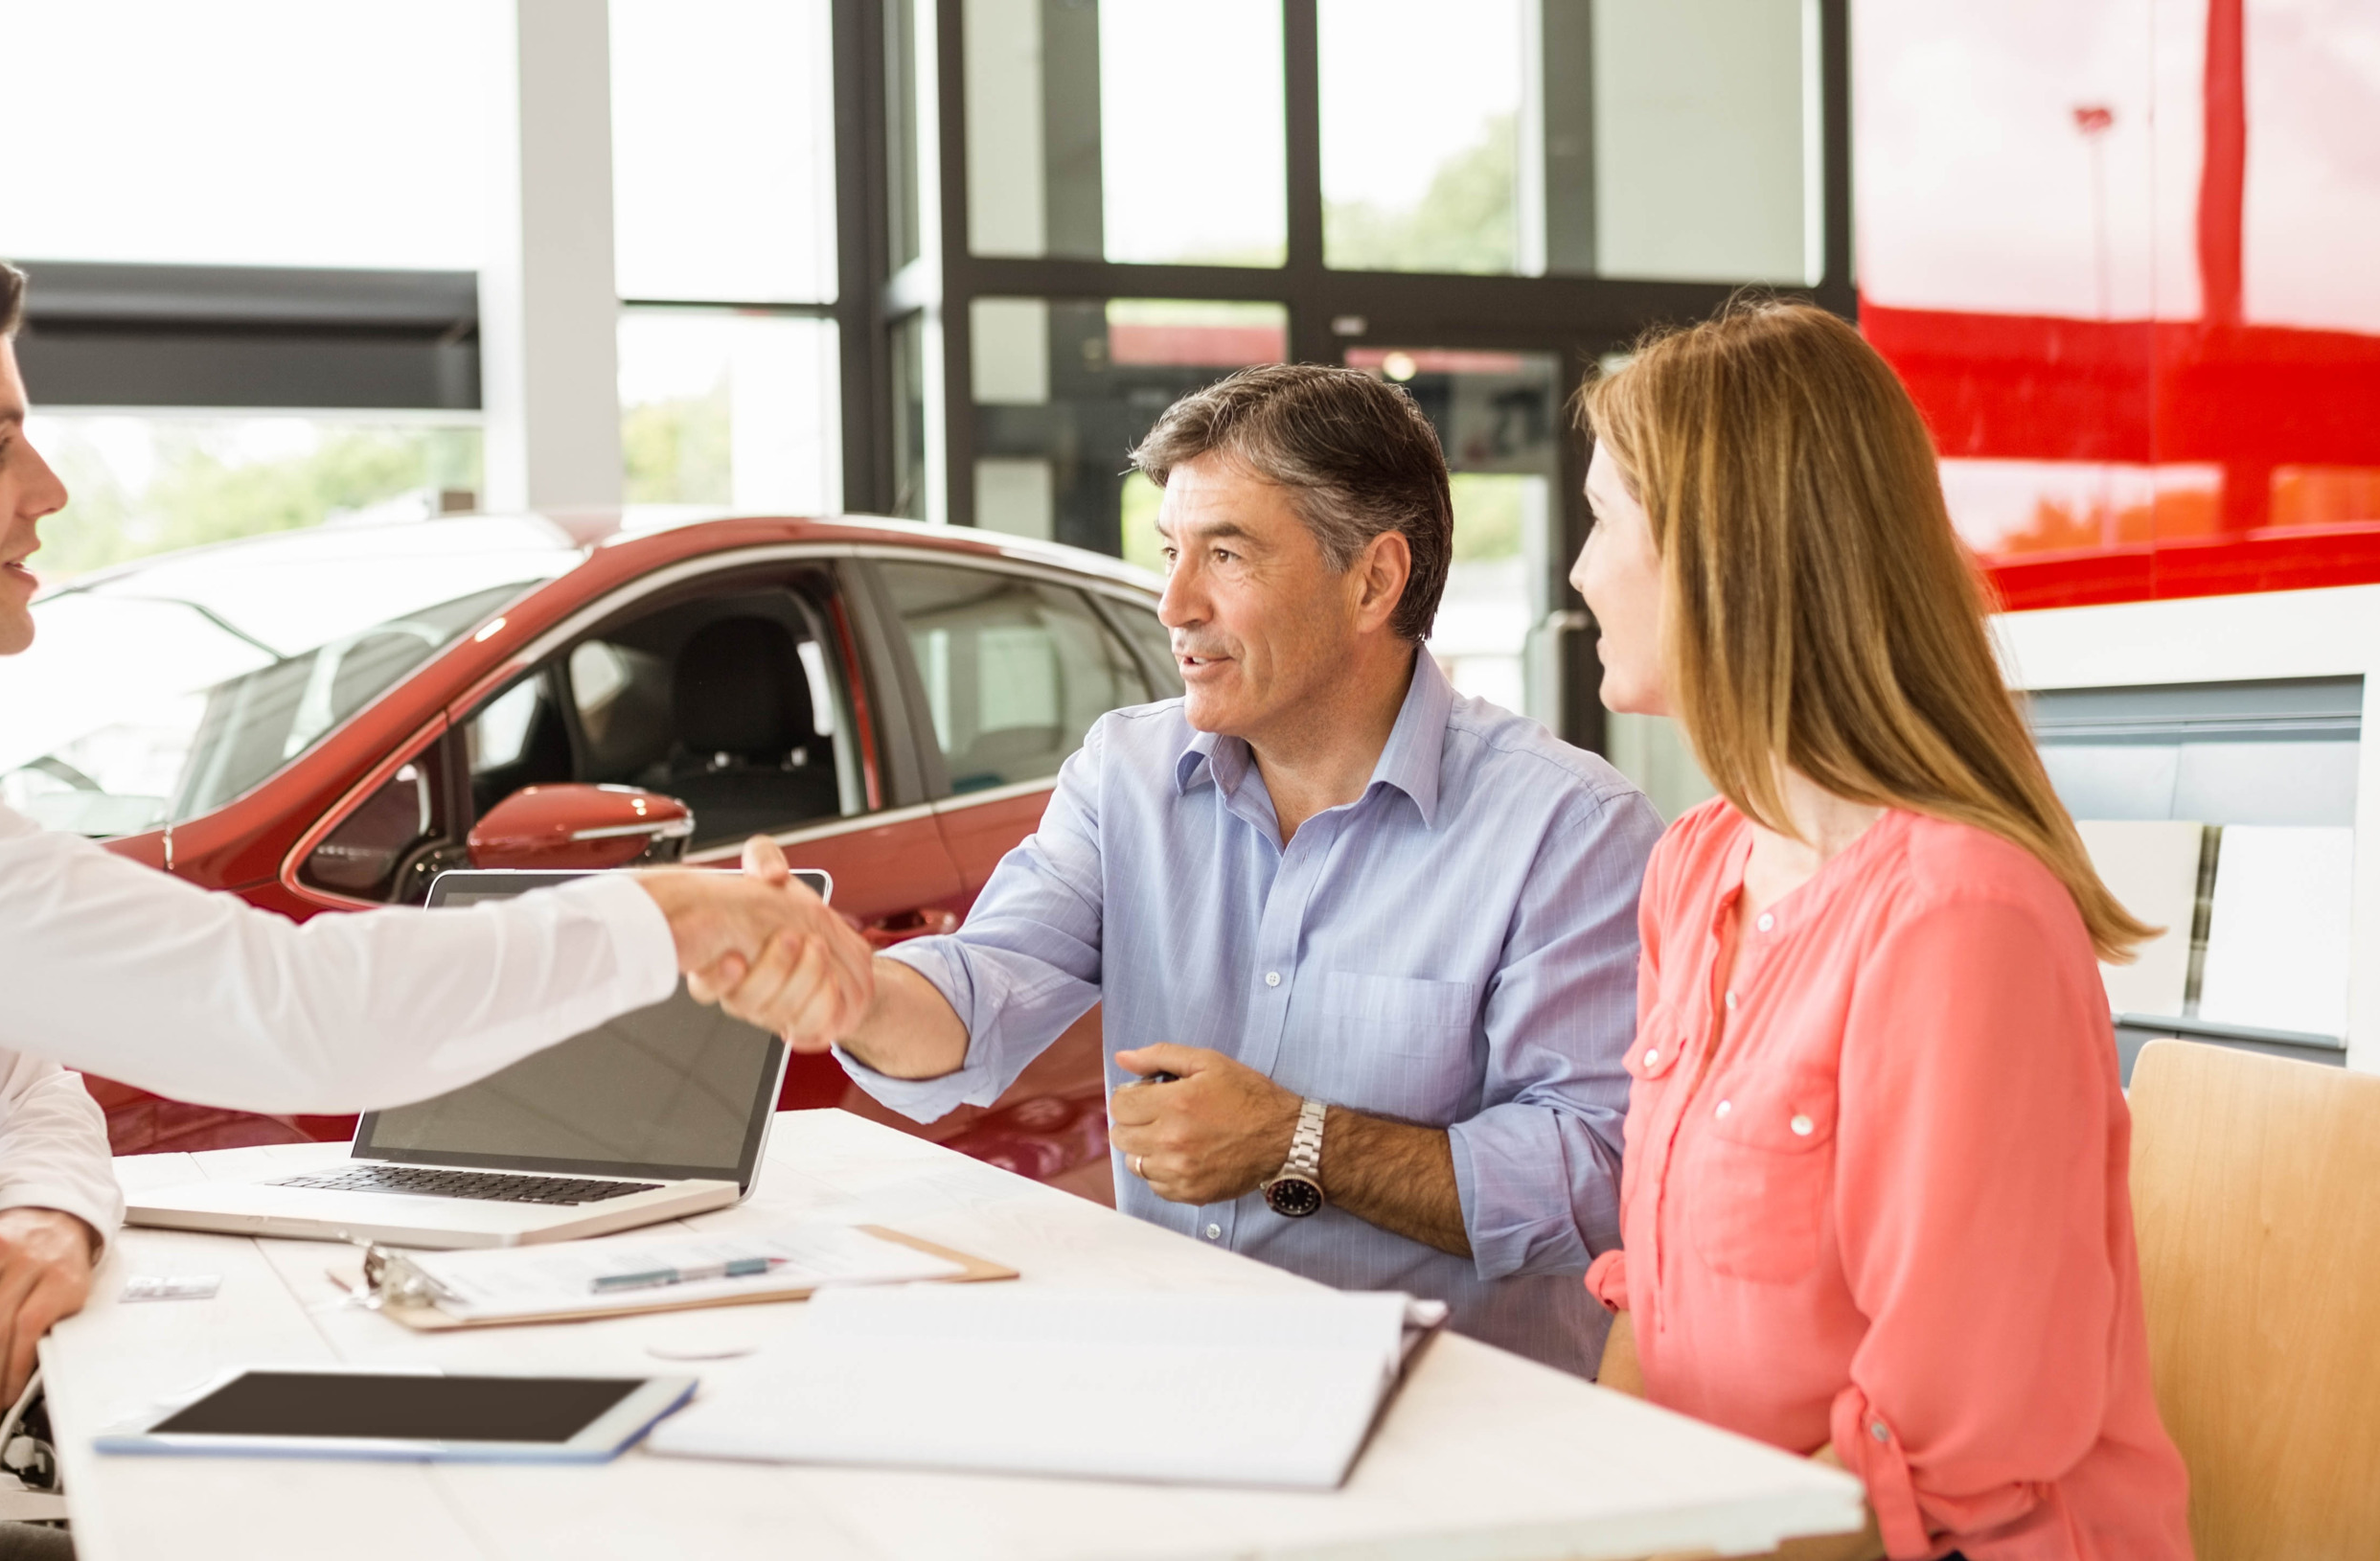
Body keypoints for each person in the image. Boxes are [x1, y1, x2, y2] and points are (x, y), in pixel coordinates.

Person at [0, 234, 872, 1561]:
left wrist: (46, 1214)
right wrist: (676, 918)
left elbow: (24, 1079)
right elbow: (286, 1016)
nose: (48, 490)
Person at [720, 363, 1660, 1373]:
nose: (1172, 602)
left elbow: (1597, 1176)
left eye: (1225, 553)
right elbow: (985, 986)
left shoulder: (1568, 829)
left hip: (1454, 1429)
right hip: (1177, 1379)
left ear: (1374, 581)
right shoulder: (1123, 775)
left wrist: (1300, 1143)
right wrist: (850, 984)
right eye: (1170, 550)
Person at [1568, 300, 2192, 1561]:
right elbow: (1662, 1312)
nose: (1578, 572)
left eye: (1602, 520)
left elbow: (1943, 1465)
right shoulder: (1698, 870)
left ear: (1721, 553)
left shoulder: (1962, 919)